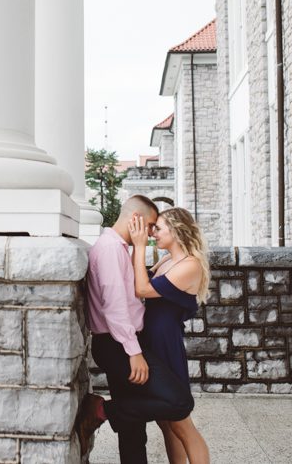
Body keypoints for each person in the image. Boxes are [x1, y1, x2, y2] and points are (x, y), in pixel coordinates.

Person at [74, 195, 194, 462]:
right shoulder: (110, 249)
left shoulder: (119, 248)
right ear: (135, 219)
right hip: (118, 344)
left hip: (123, 342)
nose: (151, 233)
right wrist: (134, 351)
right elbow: (115, 307)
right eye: (150, 225)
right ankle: (101, 410)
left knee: (132, 430)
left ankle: (105, 411)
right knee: (179, 402)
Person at [130, 207, 210, 464]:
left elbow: (142, 288)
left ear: (176, 231)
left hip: (166, 344)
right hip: (152, 339)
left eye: (159, 228)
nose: (153, 233)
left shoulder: (190, 265)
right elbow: (137, 279)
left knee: (181, 421)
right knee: (166, 422)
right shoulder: (166, 260)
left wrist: (140, 245)